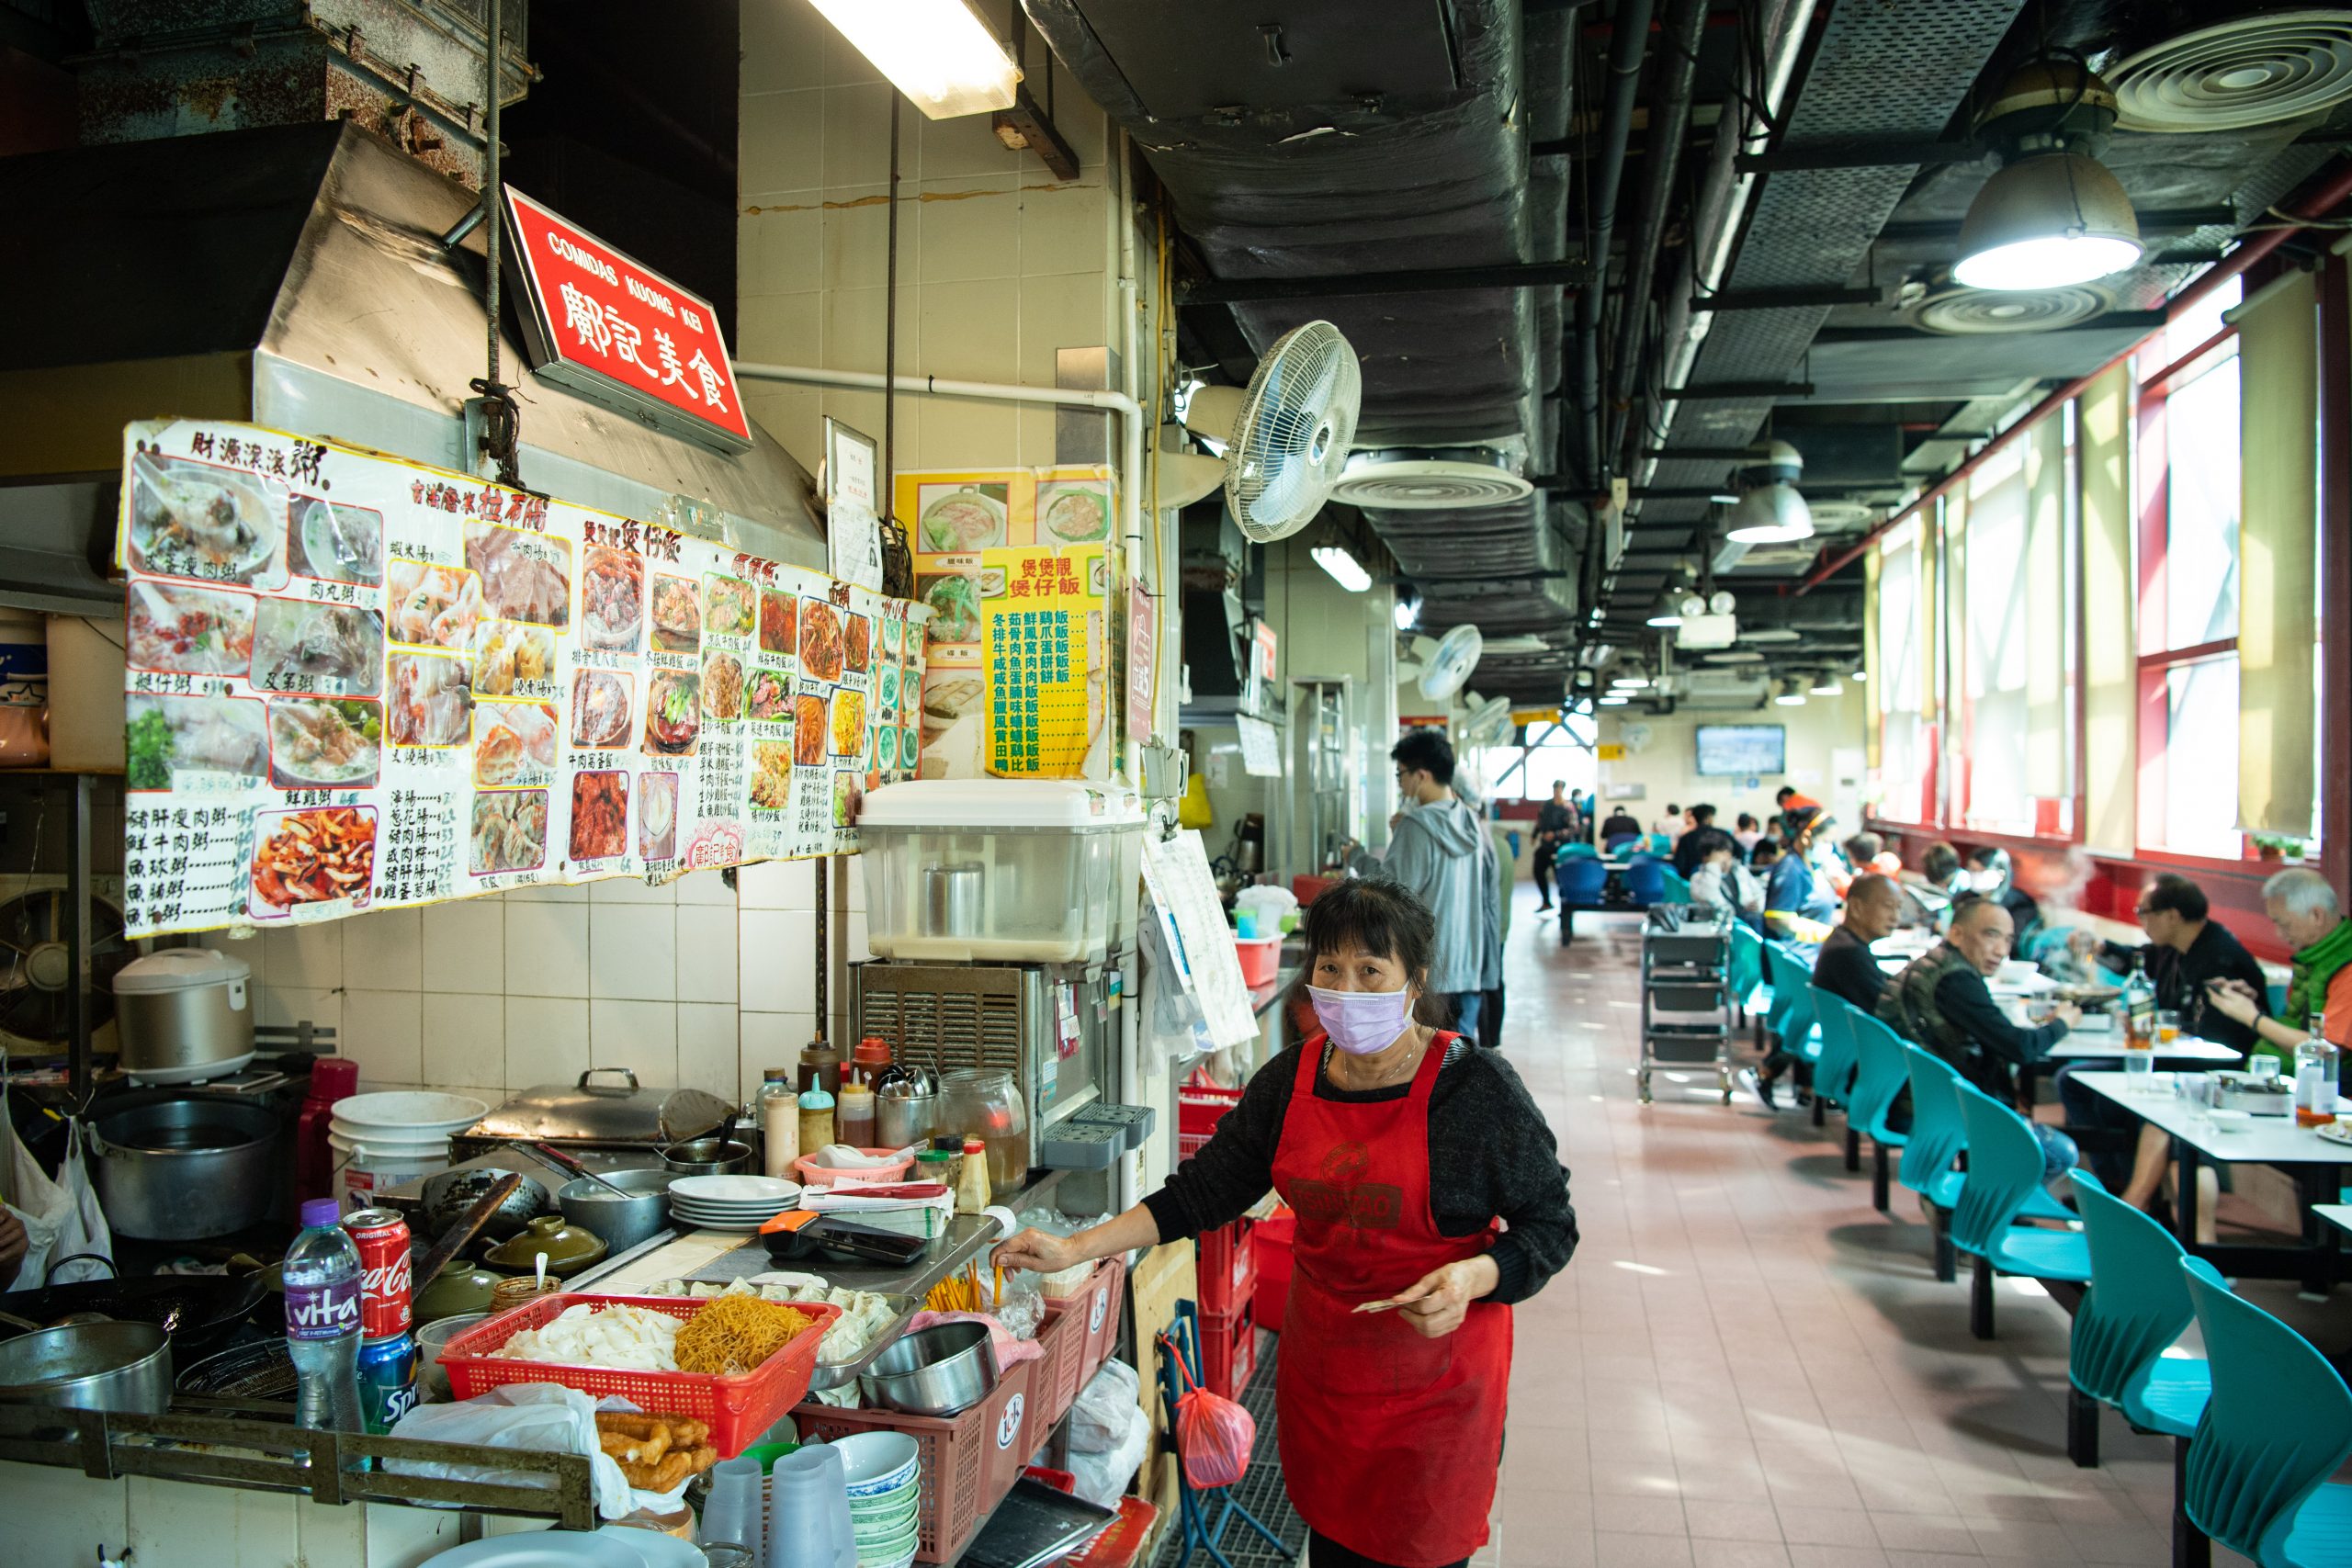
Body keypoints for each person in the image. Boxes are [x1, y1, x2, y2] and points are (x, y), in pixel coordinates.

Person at [993, 879, 1577, 1568]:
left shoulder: (1476, 1089)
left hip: (1437, 1400)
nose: (1347, 989)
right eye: (1330, 968)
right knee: (1331, 1549)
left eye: (1371, 971)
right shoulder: (1291, 1079)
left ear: (1413, 981)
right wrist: (1075, 1248)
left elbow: (1551, 1224)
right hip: (1327, 1384)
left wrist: (1477, 1276)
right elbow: (1202, 1192)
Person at [2054, 874, 2268, 1202]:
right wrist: (2099, 947)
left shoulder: (2220, 958)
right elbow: (2135, 960)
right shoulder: (2171, 949)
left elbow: (2215, 1044)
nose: (2141, 920)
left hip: (2208, 1070)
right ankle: (2114, 1189)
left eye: (2145, 911)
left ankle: (2130, 1200)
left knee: (2106, 1097)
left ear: (2172, 915)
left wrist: (2154, 1030)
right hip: (2167, 1055)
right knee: (2075, 1081)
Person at [1880, 898, 2082, 1180]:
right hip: (1936, 1109)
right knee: (2059, 1153)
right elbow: (2020, 1048)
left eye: (2008, 940)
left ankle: (1978, 1206)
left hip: (1917, 1097)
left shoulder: (1936, 963)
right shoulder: (1956, 981)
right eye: (1991, 935)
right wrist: (2062, 1024)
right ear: (1957, 934)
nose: (2001, 950)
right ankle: (1989, 1213)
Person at [1351, 729, 1492, 1039]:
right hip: (1468, 966)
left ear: (1422, 775)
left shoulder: (1416, 826)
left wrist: (1358, 857)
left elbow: (1390, 890)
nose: (1400, 783)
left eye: (1401, 774)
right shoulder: (1469, 820)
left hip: (1432, 970)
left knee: (1429, 1065)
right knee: (1460, 1060)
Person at [2205, 867, 2352, 1063]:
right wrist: (2252, 1006)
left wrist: (2253, 1018)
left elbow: (2328, 1051)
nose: (2280, 934)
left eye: (2284, 924)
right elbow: (2295, 1028)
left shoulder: (2345, 968)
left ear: (2317, 915)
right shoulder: (2312, 958)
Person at [1815, 874, 1901, 1012]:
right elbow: (1888, 1012)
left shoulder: (1841, 939)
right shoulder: (1849, 954)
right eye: (1888, 906)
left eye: (1899, 908)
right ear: (1856, 907)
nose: (1895, 917)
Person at [1765, 806, 1839, 923]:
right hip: (1796, 942)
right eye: (1826, 841)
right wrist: (1820, 933)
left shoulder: (1812, 866)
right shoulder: (1790, 868)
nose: (1829, 847)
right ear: (1806, 837)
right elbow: (1777, 920)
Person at [1686, 829, 1762, 928]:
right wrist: (1713, 866)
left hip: (1749, 923)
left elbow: (1759, 894)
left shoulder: (1740, 871)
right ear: (1705, 858)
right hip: (1722, 927)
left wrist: (1757, 905)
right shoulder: (1698, 879)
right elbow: (1711, 899)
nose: (1725, 859)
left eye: (1726, 854)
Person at [1966, 847, 2040, 940]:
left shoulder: (2020, 905)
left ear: (2001, 874)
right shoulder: (1965, 898)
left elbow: (2013, 941)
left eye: (1981, 871)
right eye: (1972, 870)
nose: (1975, 875)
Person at [1531, 781, 1576, 913]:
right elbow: (1539, 822)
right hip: (1545, 847)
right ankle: (1546, 901)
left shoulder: (1568, 807)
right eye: (1555, 789)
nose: (1557, 791)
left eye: (1559, 789)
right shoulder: (1546, 805)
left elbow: (1573, 828)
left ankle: (1565, 908)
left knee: (1561, 878)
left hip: (1561, 848)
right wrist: (1534, 835)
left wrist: (1556, 834)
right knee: (1538, 871)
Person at [1671, 807, 1719, 878]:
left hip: (1686, 880)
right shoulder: (1720, 835)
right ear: (1709, 818)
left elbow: (1678, 863)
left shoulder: (1687, 837)